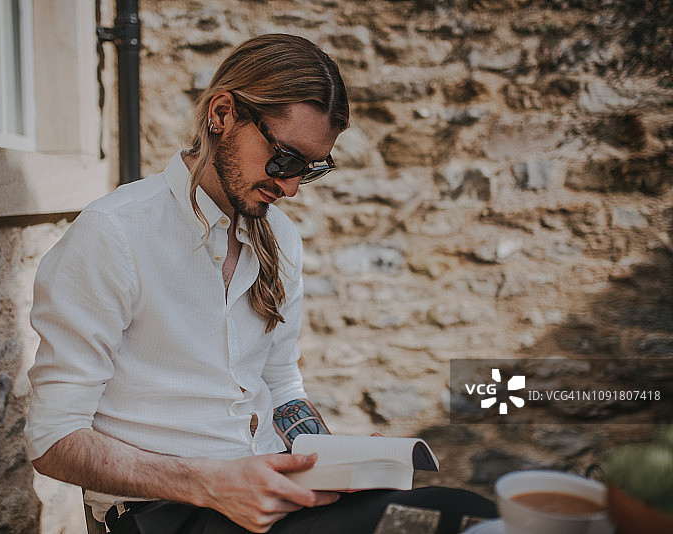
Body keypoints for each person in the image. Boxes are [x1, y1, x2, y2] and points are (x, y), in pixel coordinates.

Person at [25, 33, 496, 534]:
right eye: (285, 158)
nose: (289, 186)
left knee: (470, 516)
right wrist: (213, 483)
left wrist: (333, 458)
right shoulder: (113, 234)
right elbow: (54, 439)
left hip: (273, 495)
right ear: (222, 114)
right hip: (165, 512)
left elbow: (280, 386)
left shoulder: (282, 239)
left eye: (309, 170)